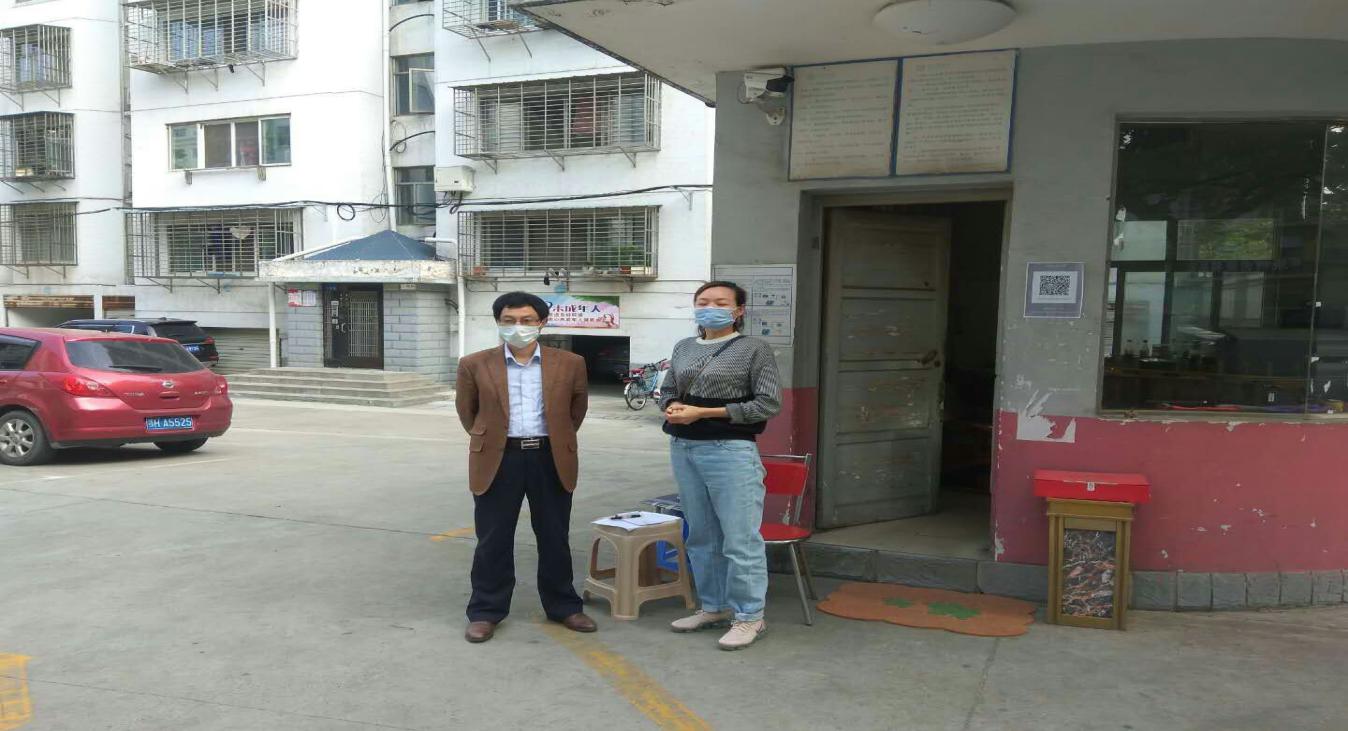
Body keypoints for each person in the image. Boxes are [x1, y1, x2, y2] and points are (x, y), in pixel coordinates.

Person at [455, 292, 597, 643]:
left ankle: (564, 605)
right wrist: (493, 439)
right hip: (498, 458)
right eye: (509, 320)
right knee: (493, 538)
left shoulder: (570, 363)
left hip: (550, 456)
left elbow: (576, 411)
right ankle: (486, 611)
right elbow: (468, 413)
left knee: (554, 535)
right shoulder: (474, 364)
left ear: (542, 323)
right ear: (498, 322)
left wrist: (555, 439)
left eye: (527, 320)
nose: (518, 327)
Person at [661, 281, 782, 650]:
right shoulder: (684, 346)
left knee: (740, 538)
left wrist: (703, 412)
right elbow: (668, 390)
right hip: (683, 448)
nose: (709, 307)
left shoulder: (754, 349)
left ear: (738, 310)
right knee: (701, 535)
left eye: (720, 302)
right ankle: (713, 607)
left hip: (729, 450)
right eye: (703, 301)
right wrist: (671, 407)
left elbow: (767, 404)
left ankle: (750, 616)